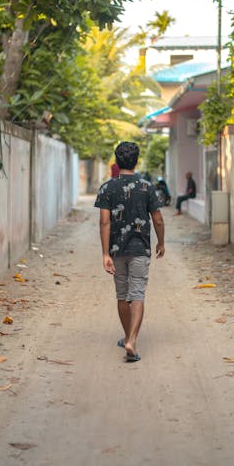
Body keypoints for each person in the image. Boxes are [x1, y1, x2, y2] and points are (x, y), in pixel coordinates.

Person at [95, 141, 165, 362]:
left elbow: (104, 223)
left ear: (117, 161)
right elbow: (158, 218)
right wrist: (161, 242)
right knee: (137, 294)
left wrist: (106, 253)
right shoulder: (147, 186)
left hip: (117, 250)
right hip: (140, 248)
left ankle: (127, 336)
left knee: (122, 295)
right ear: (136, 160)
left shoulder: (107, 187)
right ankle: (131, 340)